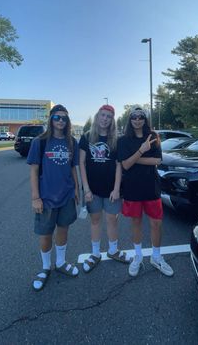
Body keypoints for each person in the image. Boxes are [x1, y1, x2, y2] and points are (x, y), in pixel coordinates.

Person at [27, 104, 80, 291]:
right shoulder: (39, 142)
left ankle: (61, 262)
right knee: (45, 234)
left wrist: (76, 189)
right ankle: (45, 267)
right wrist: (35, 197)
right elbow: (33, 171)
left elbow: (73, 168)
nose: (60, 121)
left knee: (63, 229)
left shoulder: (72, 142)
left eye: (64, 118)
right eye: (57, 117)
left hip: (66, 195)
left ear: (68, 121)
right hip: (46, 198)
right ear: (50, 119)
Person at [117, 106, 174, 277]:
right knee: (136, 223)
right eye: (134, 116)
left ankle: (156, 257)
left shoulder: (154, 136)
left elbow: (157, 160)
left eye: (140, 116)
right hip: (132, 188)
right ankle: (138, 256)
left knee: (156, 223)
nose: (137, 119)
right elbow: (125, 165)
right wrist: (141, 151)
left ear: (144, 119)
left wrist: (134, 158)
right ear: (130, 119)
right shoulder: (123, 140)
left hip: (151, 187)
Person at [79, 104, 129, 273]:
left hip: (111, 190)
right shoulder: (87, 137)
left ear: (112, 119)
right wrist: (86, 188)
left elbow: (118, 166)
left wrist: (116, 189)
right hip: (92, 190)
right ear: (97, 116)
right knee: (95, 220)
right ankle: (95, 254)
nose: (105, 119)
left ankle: (113, 250)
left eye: (108, 116)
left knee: (112, 219)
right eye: (103, 115)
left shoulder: (116, 139)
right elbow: (81, 163)